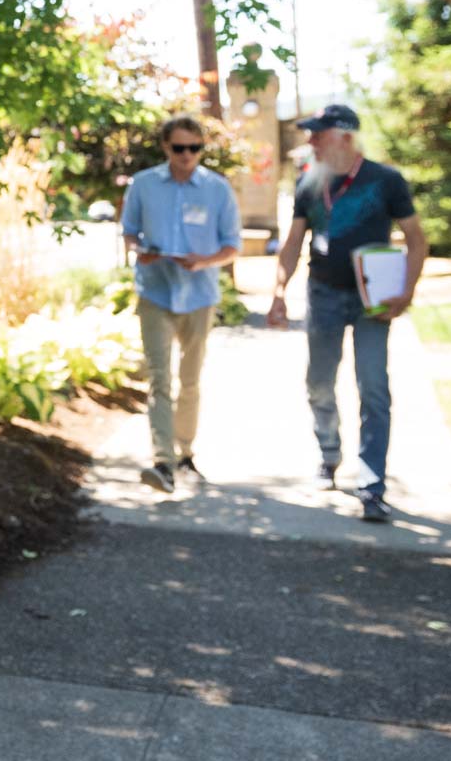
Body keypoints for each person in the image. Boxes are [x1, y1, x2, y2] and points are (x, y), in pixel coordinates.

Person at [267, 104, 427, 523]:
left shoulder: (386, 180)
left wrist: (406, 291)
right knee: (318, 382)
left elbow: (416, 239)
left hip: (372, 300)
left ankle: (372, 486)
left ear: (346, 137)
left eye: (318, 134)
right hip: (323, 294)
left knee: (374, 388)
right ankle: (329, 453)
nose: (310, 141)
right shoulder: (309, 181)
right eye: (310, 134)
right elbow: (292, 243)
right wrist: (279, 292)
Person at [120, 113, 242, 493]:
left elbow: (232, 246)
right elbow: (128, 234)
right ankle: (163, 461)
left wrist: (203, 261)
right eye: (179, 147)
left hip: (199, 294)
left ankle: (185, 452)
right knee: (159, 378)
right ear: (165, 147)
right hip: (155, 290)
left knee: (190, 381)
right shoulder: (143, 184)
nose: (187, 154)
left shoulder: (218, 189)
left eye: (194, 147)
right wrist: (142, 252)